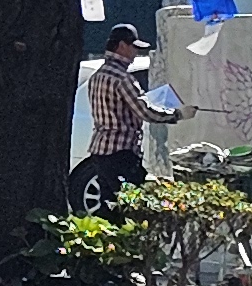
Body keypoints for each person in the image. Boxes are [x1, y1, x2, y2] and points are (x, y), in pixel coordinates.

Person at [70, 24, 182, 210]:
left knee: (109, 205)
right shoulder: (123, 78)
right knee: (138, 204)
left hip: (99, 151)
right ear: (122, 46)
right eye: (134, 47)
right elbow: (145, 112)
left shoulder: (97, 76)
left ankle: (109, 237)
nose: (135, 53)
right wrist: (177, 114)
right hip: (121, 153)